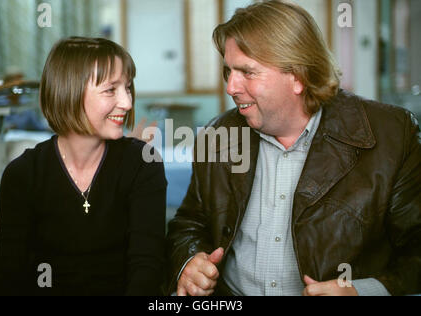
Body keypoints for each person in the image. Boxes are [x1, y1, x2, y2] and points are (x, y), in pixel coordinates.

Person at [166, 1, 421, 296]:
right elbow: (189, 223)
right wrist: (189, 260)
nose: (231, 87)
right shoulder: (217, 135)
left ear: (298, 77)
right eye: (228, 71)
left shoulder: (392, 134)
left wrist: (360, 291)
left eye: (247, 72)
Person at [0, 37, 167, 295]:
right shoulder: (23, 175)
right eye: (110, 90)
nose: (127, 103)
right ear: (69, 92)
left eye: (127, 88)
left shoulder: (142, 164)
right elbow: (8, 277)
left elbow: (147, 270)